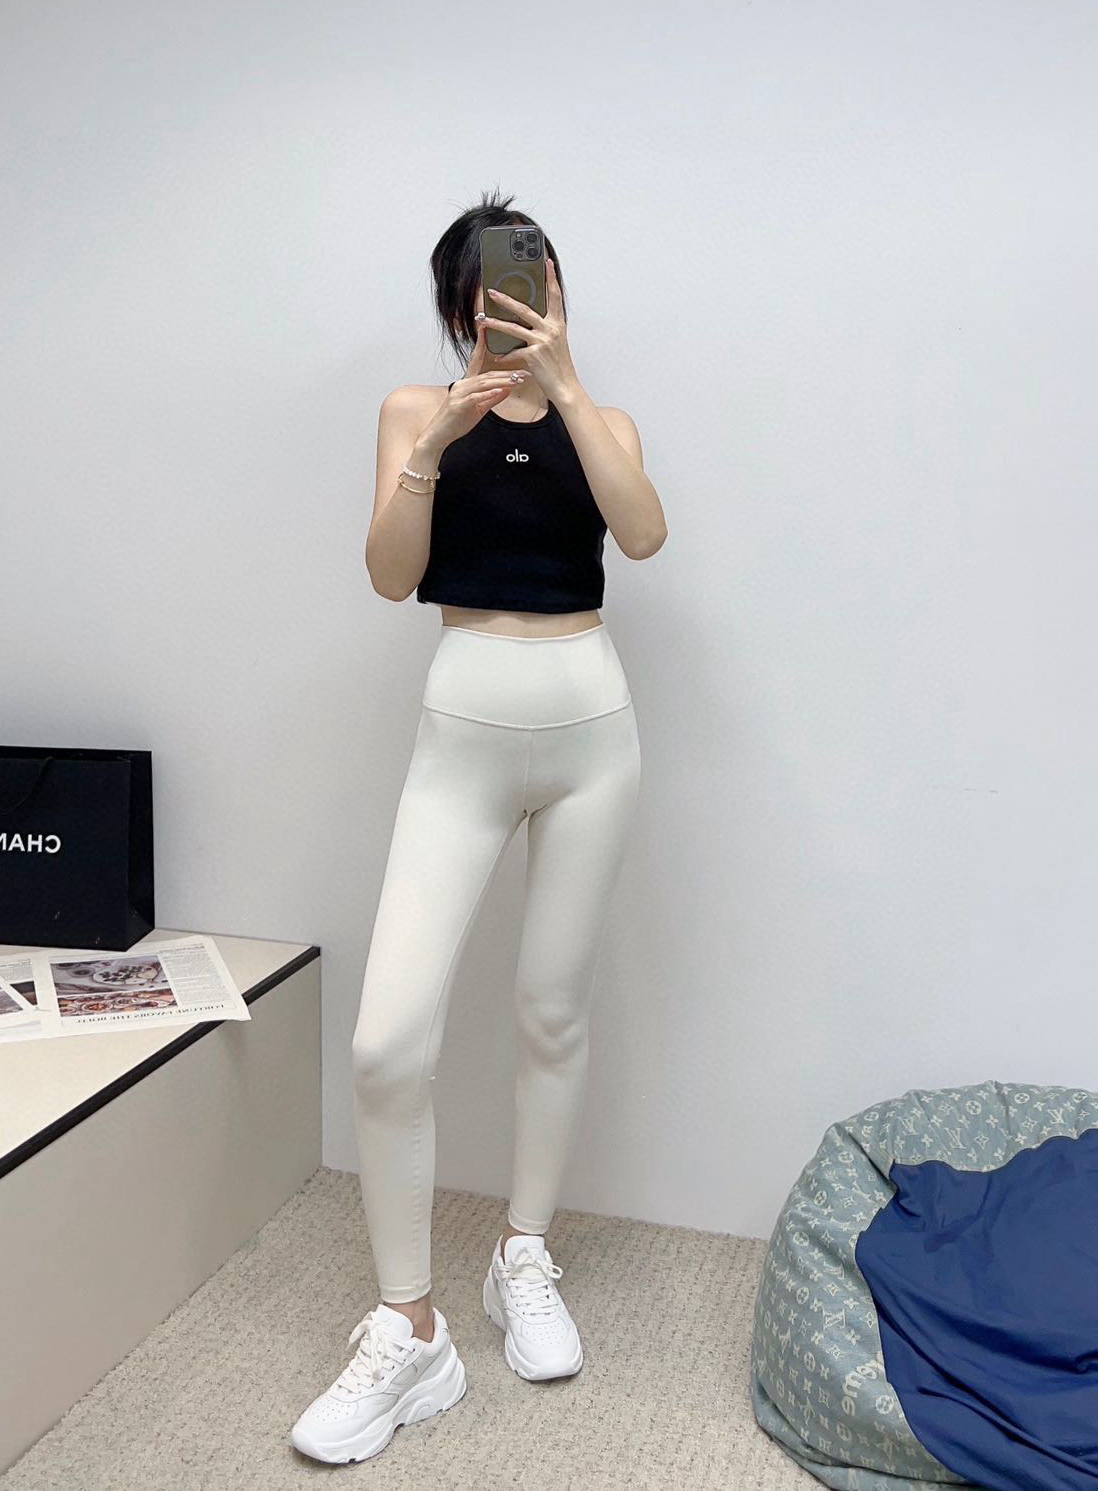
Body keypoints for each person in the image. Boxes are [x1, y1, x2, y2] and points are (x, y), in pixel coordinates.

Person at [290, 190, 667, 1464]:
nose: (521, 299)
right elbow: (390, 575)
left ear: (556, 292)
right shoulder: (415, 411)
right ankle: (411, 1329)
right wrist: (437, 442)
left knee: (551, 1011)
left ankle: (523, 1254)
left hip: (590, 731)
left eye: (539, 279)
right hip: (461, 733)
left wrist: (564, 390)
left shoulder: (601, 420)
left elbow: (642, 534)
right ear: (461, 307)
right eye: (499, 286)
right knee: (388, 1042)